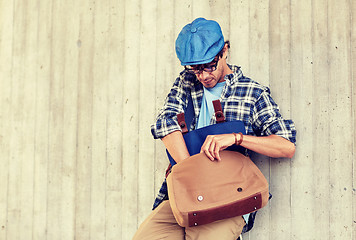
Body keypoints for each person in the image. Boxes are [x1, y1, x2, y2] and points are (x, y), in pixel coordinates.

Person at [133, 17, 296, 240]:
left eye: (210, 65)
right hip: (185, 194)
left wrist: (237, 138)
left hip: (229, 198)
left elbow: (286, 146)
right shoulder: (186, 83)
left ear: (224, 51)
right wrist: (193, 172)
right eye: (196, 69)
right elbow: (165, 122)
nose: (204, 76)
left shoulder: (252, 93)